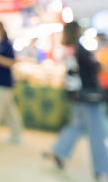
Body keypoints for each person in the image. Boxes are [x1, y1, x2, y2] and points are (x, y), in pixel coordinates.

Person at [44, 22, 108, 180]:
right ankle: (101, 168)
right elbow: (96, 67)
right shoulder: (80, 50)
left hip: (76, 96)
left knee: (77, 125)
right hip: (88, 95)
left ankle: (59, 150)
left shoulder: (68, 50)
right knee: (97, 131)